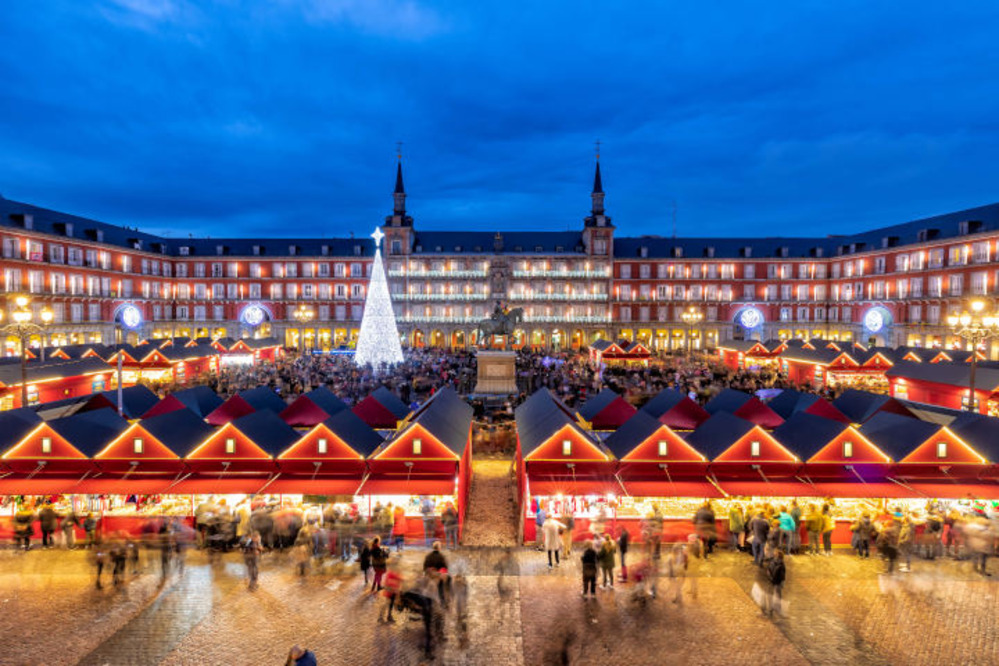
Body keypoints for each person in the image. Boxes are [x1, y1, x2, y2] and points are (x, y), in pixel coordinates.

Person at [423, 541, 450, 607]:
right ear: (439, 548)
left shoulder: (428, 556)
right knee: (443, 585)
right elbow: (445, 567)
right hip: (437, 576)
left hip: (429, 575)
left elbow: (424, 566)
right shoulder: (441, 556)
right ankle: (444, 602)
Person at [764, 550, 786, 617]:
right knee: (775, 596)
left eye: (775, 553)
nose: (774, 554)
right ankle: (774, 610)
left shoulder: (778, 564)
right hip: (774, 581)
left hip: (774, 581)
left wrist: (771, 578)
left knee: (772, 596)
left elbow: (781, 575)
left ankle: (773, 610)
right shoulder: (776, 562)